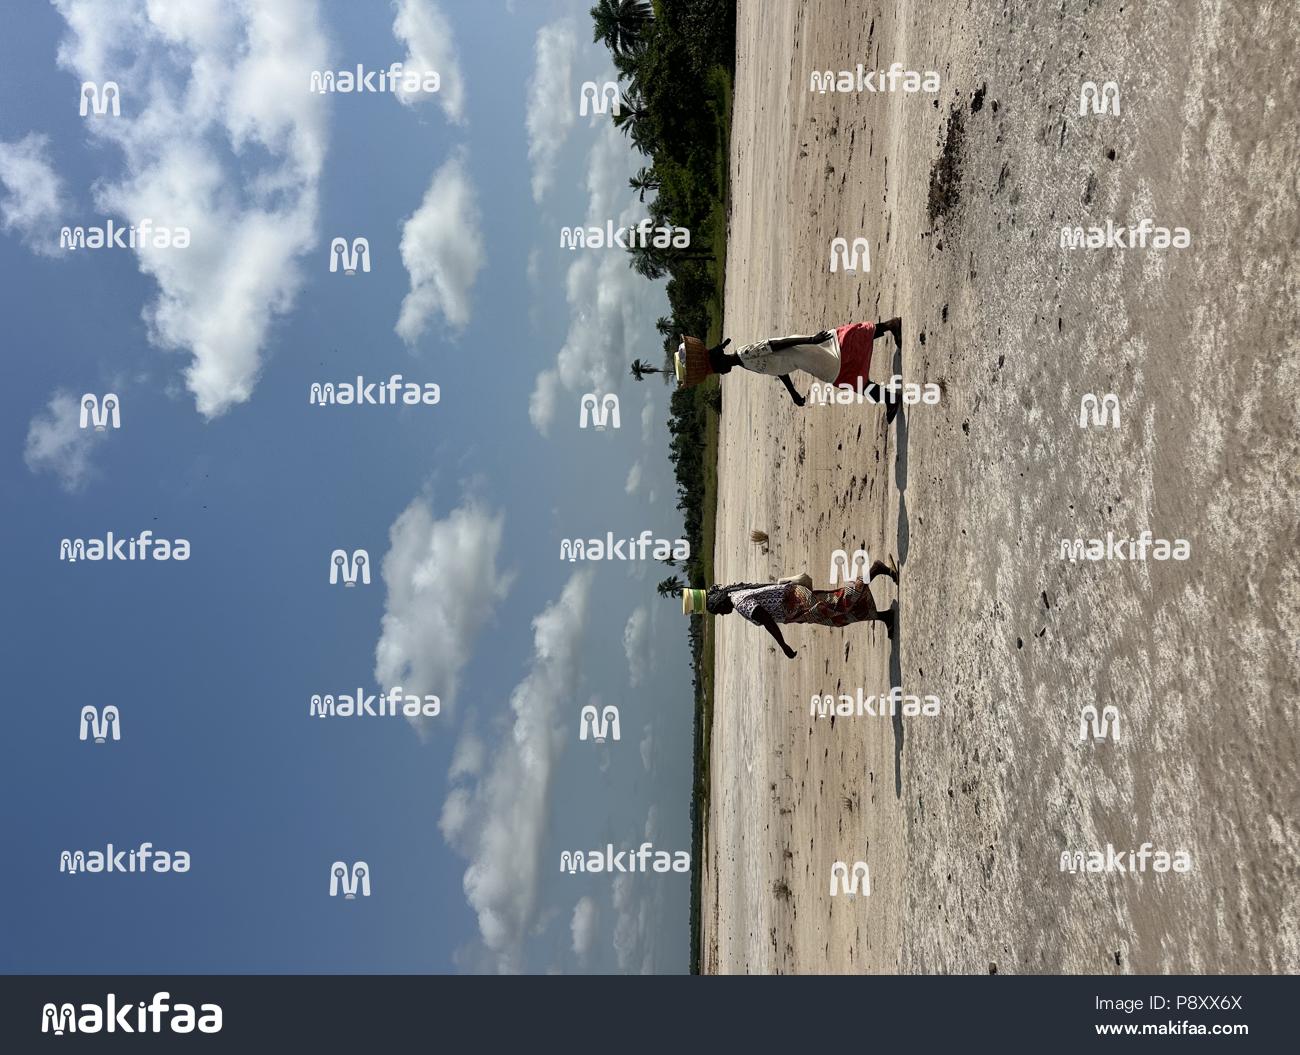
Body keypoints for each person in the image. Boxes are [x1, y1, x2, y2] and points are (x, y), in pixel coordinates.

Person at [681, 560, 898, 659]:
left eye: (717, 611)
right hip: (796, 606)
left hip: (796, 602)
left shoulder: (739, 602)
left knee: (840, 603)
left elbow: (766, 620)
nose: (721, 614)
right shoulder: (734, 592)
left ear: (719, 603)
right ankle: (884, 616)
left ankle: (875, 570)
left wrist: (783, 645)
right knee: (838, 618)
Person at [707, 318, 904, 419]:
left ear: (722, 361)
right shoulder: (743, 363)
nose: (722, 373)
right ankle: (890, 326)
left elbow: (775, 344)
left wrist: (811, 340)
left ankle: (890, 397)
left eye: (718, 370)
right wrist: (792, 392)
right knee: (843, 352)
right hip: (800, 358)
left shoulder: (744, 354)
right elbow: (777, 367)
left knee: (843, 366)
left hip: (802, 353)